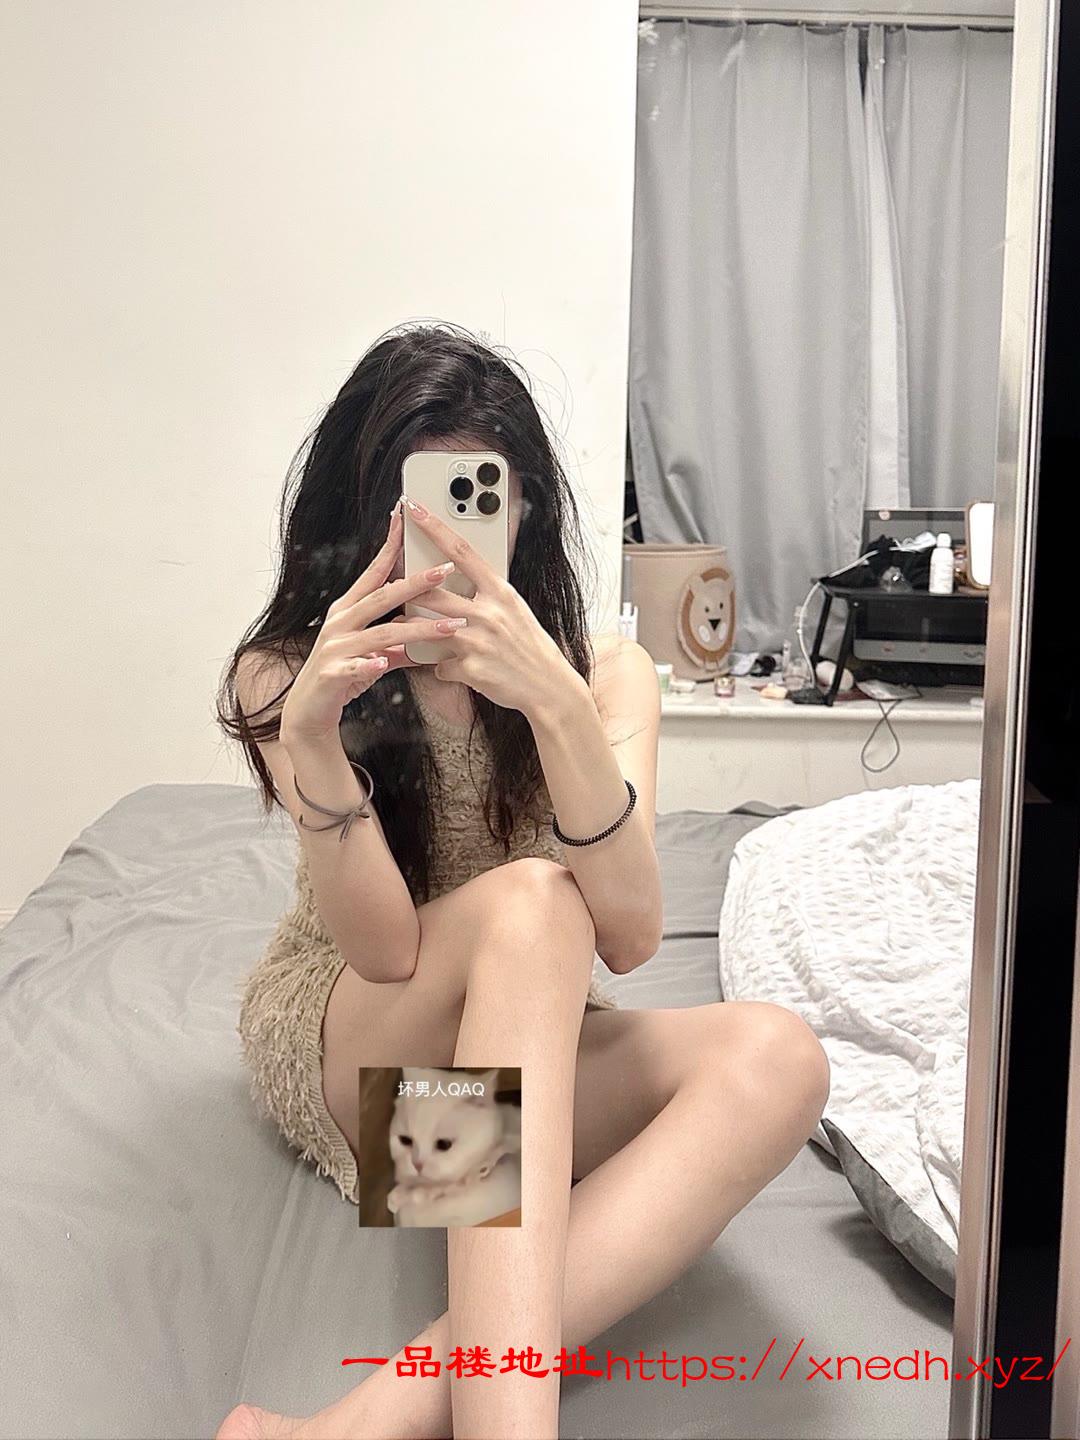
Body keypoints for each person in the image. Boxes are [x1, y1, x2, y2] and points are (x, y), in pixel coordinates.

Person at [214, 322, 830, 1440]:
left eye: (479, 506)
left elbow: (631, 936)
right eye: (418, 511)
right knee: (535, 905)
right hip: (367, 1060)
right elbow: (384, 953)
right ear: (364, 518)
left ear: (526, 511)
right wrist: (311, 740)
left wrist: (553, 700)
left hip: (514, 1070)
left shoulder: (603, 676)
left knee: (779, 1058)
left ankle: (356, 1423)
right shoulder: (296, 672)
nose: (449, 546)